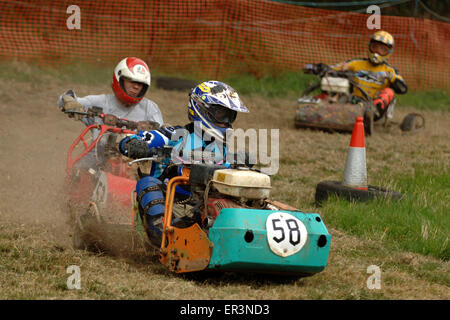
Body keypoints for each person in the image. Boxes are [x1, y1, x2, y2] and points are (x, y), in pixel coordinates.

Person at [118, 80, 249, 246]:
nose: (226, 122)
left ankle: (241, 233)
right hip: (170, 203)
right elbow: (129, 142)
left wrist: (240, 166)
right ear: (202, 110)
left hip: (202, 206)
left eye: (230, 116)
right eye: (222, 115)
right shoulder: (175, 135)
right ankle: (163, 235)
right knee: (147, 183)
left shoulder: (221, 148)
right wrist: (135, 145)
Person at [58, 57, 164, 169]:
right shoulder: (100, 102)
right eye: (132, 81)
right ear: (120, 80)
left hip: (135, 161)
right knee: (79, 169)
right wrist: (69, 101)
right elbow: (64, 100)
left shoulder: (150, 108)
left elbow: (162, 135)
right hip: (98, 156)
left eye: (140, 84)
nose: (136, 86)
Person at [304, 31, 408, 121]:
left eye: (382, 49)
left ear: (388, 52)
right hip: (354, 100)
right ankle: (312, 107)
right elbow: (333, 69)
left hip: (374, 105)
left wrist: (393, 80)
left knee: (389, 92)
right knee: (336, 81)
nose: (377, 52)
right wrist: (319, 68)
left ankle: (370, 113)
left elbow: (403, 89)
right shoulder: (356, 63)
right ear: (369, 47)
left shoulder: (390, 71)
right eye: (375, 47)